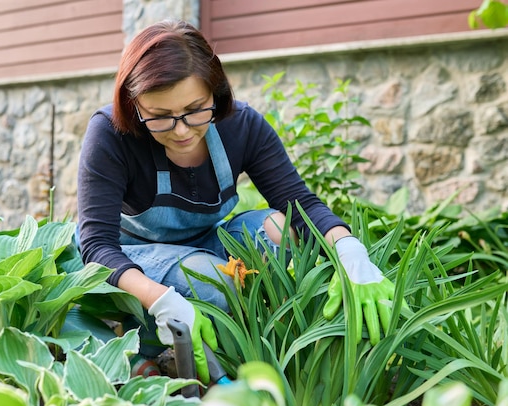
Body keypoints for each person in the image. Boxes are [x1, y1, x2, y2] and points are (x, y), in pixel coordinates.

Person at [76, 20, 394, 384]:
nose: (181, 130)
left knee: (281, 229)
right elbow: (96, 244)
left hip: (204, 242)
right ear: (134, 106)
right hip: (134, 254)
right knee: (211, 281)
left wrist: (351, 253)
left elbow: (299, 203)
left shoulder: (241, 126)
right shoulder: (110, 134)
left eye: (195, 109)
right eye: (160, 117)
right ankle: (136, 344)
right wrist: (159, 297)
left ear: (216, 92)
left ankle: (236, 345)